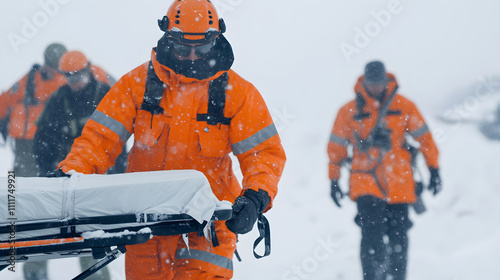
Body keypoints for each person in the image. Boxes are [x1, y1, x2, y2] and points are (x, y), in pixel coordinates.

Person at [54, 1, 286, 279]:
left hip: (208, 227)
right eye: (182, 48)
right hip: (144, 227)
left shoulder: (238, 93)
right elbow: (99, 140)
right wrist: (70, 175)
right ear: (167, 38)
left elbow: (264, 153)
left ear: (216, 39)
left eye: (200, 49)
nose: (191, 57)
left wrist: (254, 197)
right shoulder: (135, 85)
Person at [327, 61, 442, 280]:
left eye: (379, 82)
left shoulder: (405, 106)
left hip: (400, 183)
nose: (376, 87)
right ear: (365, 81)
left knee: (399, 240)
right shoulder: (348, 111)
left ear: (385, 80)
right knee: (372, 238)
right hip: (365, 183)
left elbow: (426, 140)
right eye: (372, 83)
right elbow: (336, 149)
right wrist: (334, 181)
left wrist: (434, 170)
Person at [33, 50, 119, 280]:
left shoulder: (106, 95)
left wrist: (119, 170)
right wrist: (48, 170)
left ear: (88, 69)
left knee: (92, 232)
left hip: (100, 175)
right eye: (69, 77)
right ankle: (35, 273)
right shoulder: (57, 100)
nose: (75, 83)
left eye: (78, 76)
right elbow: (42, 139)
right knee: (43, 230)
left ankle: (95, 276)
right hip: (65, 175)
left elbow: (120, 135)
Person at [0, 43, 68, 280]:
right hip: (27, 147)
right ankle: (33, 271)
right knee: (22, 205)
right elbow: (5, 100)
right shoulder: (29, 81)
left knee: (52, 205)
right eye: (51, 66)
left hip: (56, 145)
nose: (54, 71)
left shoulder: (70, 81)